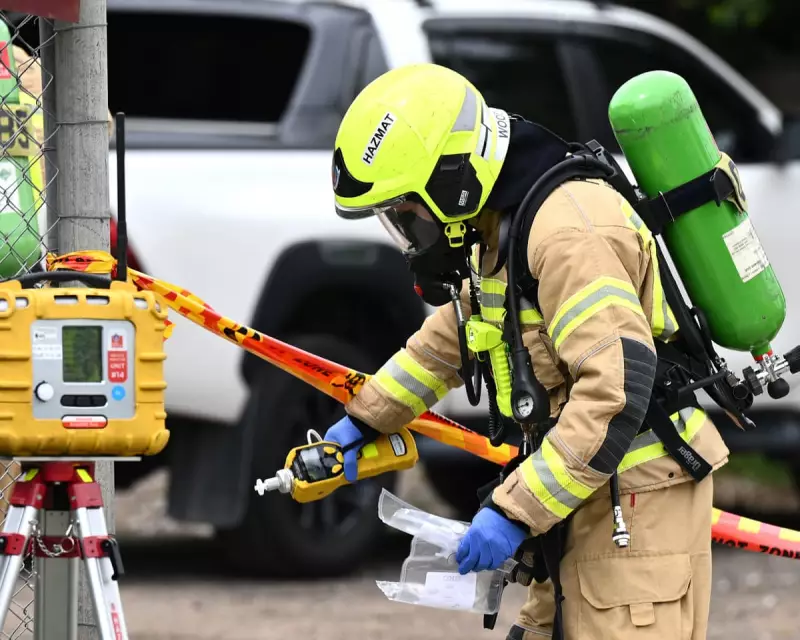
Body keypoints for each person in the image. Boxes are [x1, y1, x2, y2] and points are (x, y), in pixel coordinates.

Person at [324, 62, 729, 640]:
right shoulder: (500, 223)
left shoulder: (567, 232)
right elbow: (455, 337)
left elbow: (617, 390)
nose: (410, 237)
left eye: (407, 216)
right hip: (581, 483)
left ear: (451, 178)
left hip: (635, 500)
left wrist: (514, 509)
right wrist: (364, 420)